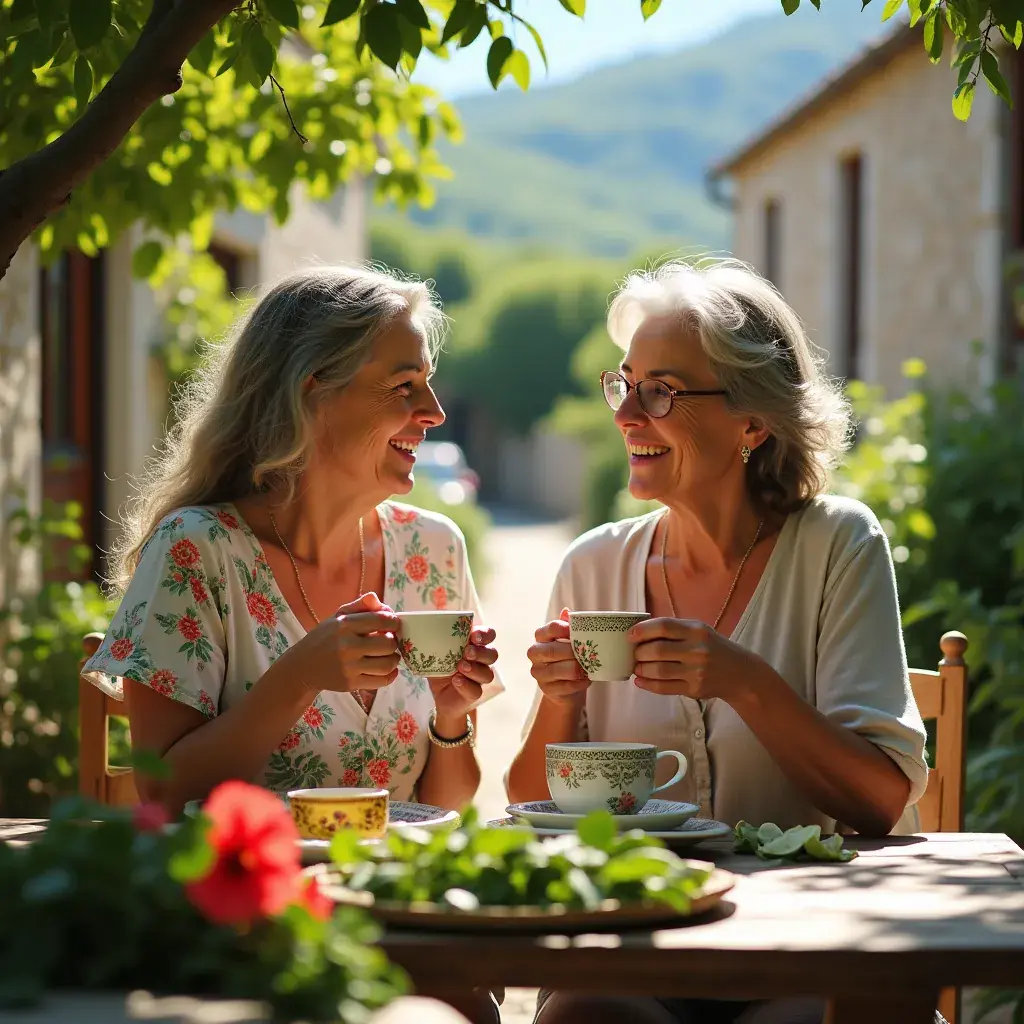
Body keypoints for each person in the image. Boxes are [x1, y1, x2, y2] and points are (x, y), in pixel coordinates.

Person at [507, 258, 927, 1024]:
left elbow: (878, 803)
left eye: (661, 391)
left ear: (753, 421)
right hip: (634, 949)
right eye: (624, 384)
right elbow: (532, 803)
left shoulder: (837, 543)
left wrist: (746, 682)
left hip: (810, 953)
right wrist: (561, 700)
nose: (627, 414)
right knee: (581, 1015)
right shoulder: (594, 564)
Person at [83, 265, 502, 820]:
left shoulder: (434, 548)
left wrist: (451, 717)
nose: (434, 412)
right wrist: (300, 676)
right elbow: (163, 791)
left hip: (390, 894)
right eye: (404, 386)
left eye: (427, 381)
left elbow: (441, 808)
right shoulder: (197, 549)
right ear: (314, 392)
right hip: (249, 897)